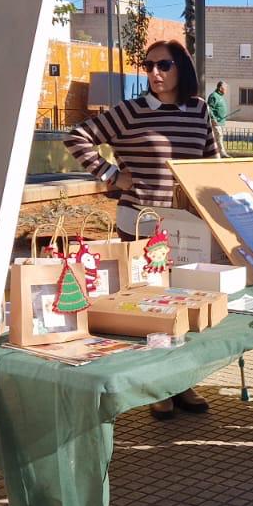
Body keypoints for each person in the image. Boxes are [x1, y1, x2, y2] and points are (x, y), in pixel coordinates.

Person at [64, 39, 224, 419]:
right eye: (148, 65)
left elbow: (214, 160)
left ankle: (182, 382)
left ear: (181, 68)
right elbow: (77, 137)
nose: (154, 73)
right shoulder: (131, 111)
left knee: (183, 306)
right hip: (141, 226)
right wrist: (111, 175)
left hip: (187, 229)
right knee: (150, 308)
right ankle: (156, 388)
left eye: (163, 65)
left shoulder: (199, 110)